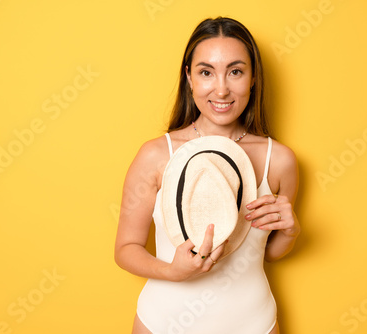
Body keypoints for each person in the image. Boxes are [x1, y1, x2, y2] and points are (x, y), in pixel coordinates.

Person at [115, 17, 300, 334]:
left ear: (253, 77)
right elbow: (125, 248)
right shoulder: (156, 155)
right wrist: (174, 271)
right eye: (206, 72)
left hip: (253, 324)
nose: (222, 88)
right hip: (163, 323)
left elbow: (266, 253)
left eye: (236, 71)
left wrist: (290, 231)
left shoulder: (279, 159)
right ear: (189, 77)